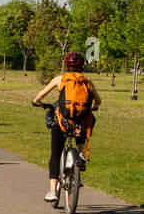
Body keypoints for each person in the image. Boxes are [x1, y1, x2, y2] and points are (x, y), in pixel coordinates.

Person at [32, 51, 102, 202]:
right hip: (80, 124)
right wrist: (93, 107)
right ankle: (80, 155)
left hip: (63, 123)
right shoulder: (87, 82)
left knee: (55, 153)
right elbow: (98, 101)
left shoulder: (60, 79)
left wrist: (38, 102)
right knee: (86, 122)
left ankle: (52, 191)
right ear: (82, 66)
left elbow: (39, 96)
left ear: (66, 65)